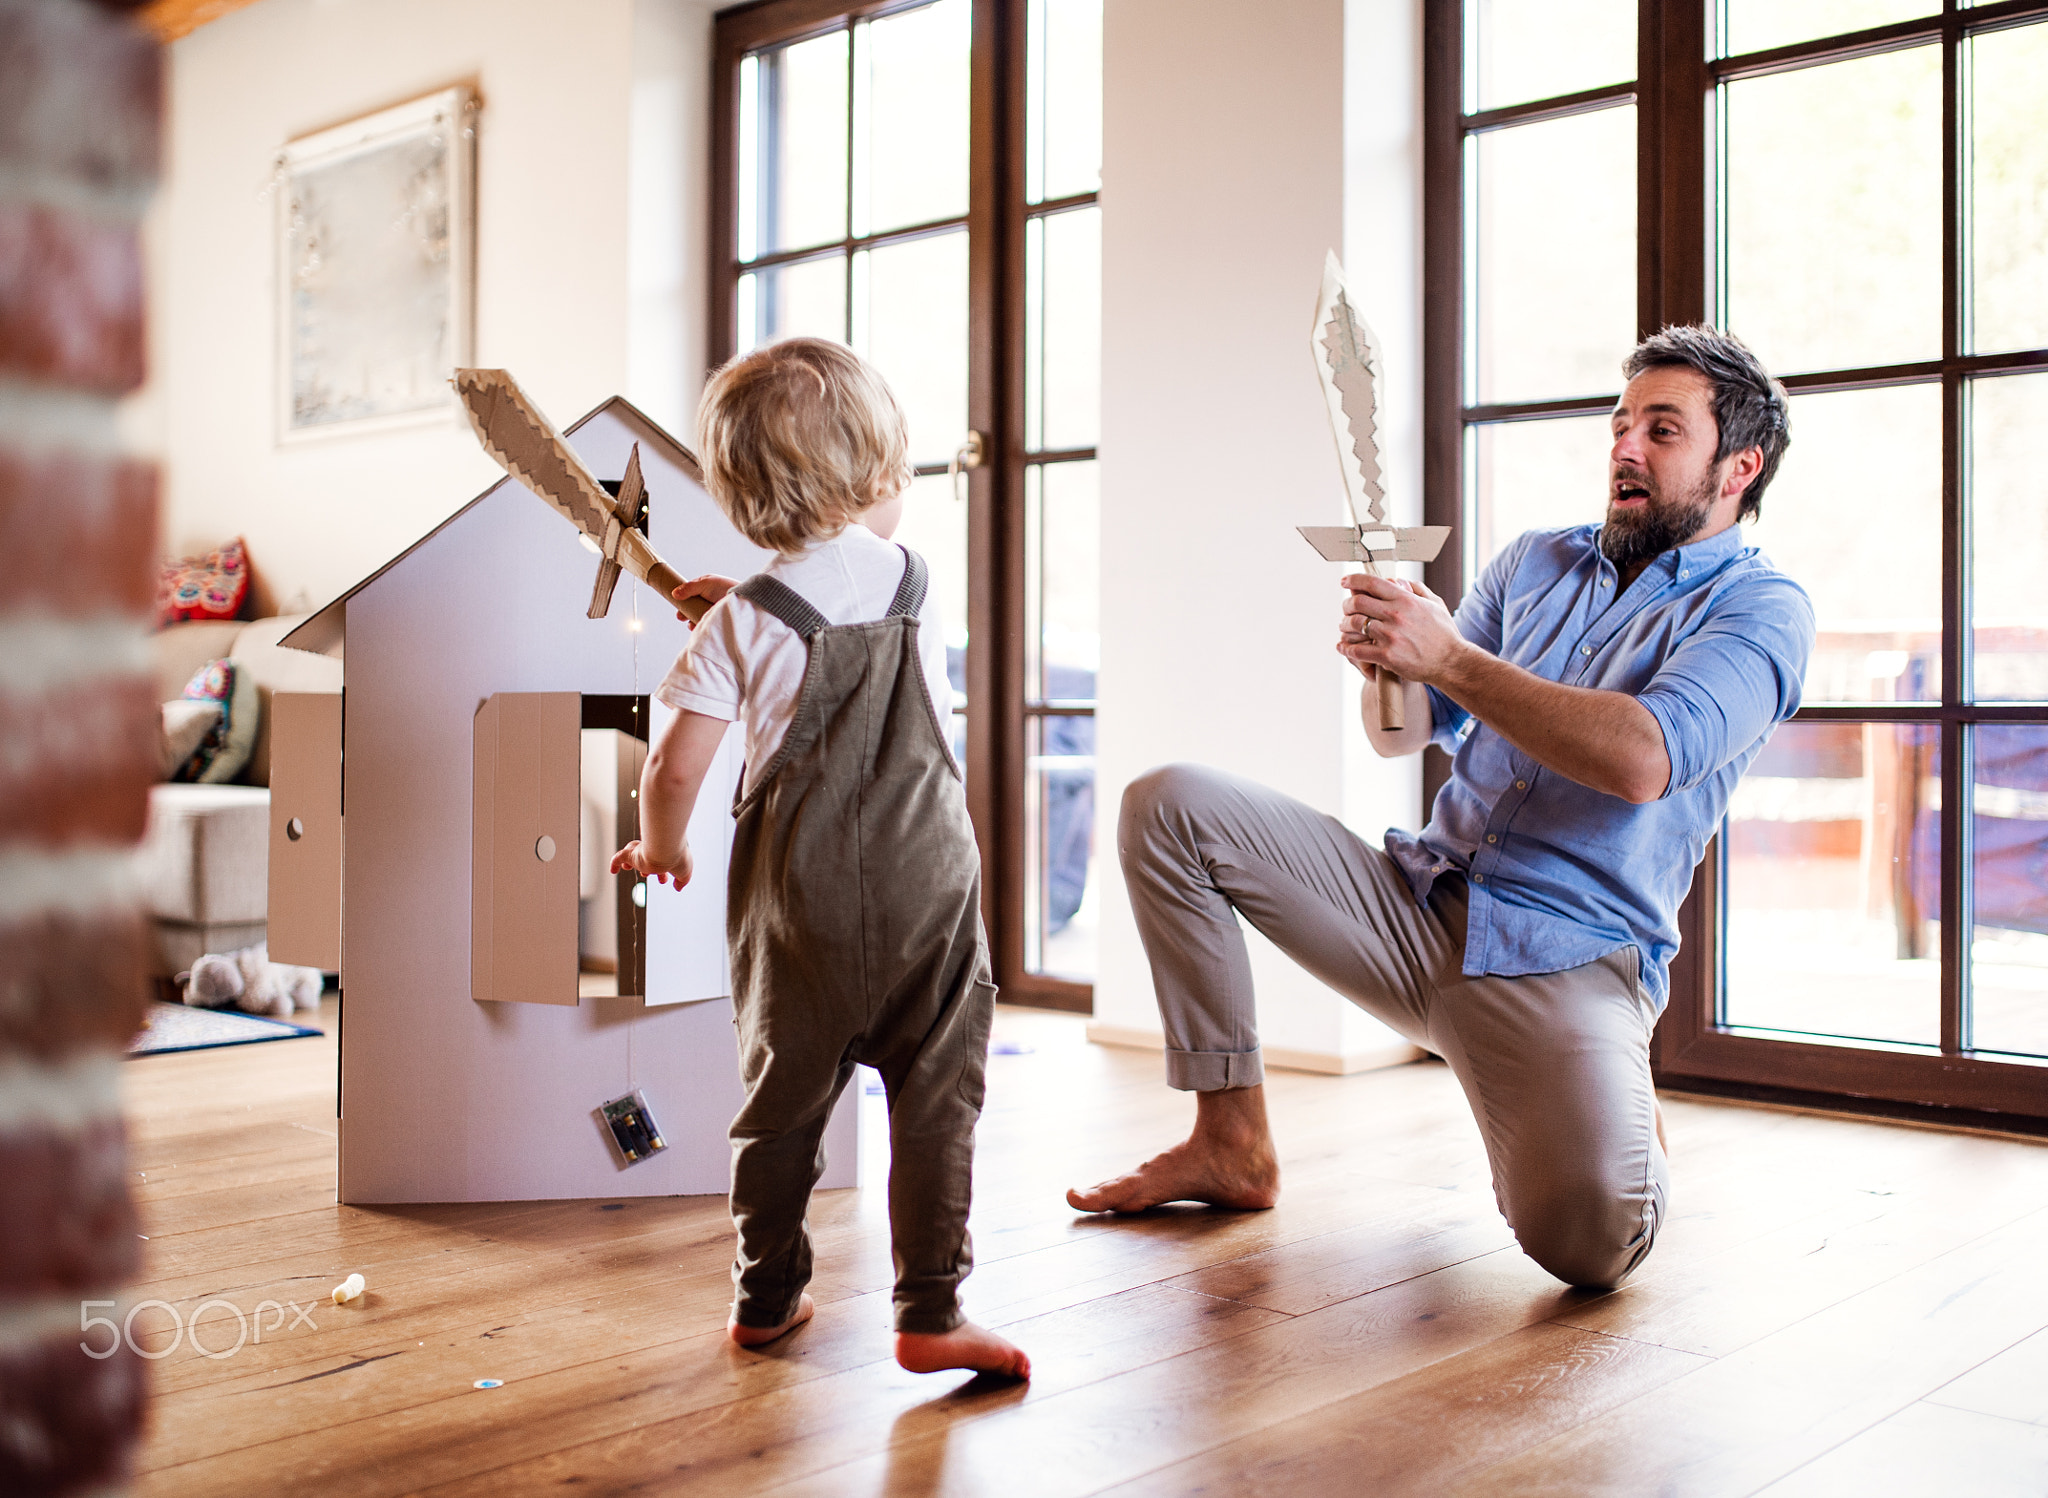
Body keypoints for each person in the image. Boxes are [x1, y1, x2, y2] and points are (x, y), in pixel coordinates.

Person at [1068, 325, 1814, 1290]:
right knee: (1168, 806)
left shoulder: (1763, 610)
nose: (1626, 447)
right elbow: (1404, 729)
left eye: (1663, 430)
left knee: (1592, 1246)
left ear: (1738, 468)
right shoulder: (1537, 560)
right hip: (1415, 905)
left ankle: (1603, 1091)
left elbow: (1643, 758)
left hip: (1562, 955)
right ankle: (1230, 1143)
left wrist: (1449, 654)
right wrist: (1391, 654)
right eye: (1622, 423)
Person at [612, 337, 1029, 1379]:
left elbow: (672, 770)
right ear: (875, 471)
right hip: (928, 882)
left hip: (796, 901)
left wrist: (661, 849)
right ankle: (931, 1309)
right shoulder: (914, 580)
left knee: (781, 1101)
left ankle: (763, 1299)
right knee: (936, 1097)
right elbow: (848, 567)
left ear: (739, 490)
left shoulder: (740, 623)